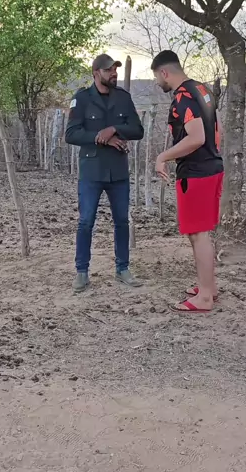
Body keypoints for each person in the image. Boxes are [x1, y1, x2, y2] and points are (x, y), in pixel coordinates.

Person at [151, 50, 224, 313]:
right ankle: (208, 288)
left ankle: (204, 298)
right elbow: (217, 129)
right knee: (201, 233)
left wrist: (163, 157)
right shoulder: (202, 90)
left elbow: (197, 137)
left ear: (164, 72)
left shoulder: (182, 97)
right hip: (212, 167)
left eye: (157, 77)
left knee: (199, 234)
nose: (157, 82)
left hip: (197, 173)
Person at [66, 54, 144, 292]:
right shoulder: (81, 99)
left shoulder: (123, 98)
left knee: (121, 221)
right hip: (91, 171)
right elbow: (71, 134)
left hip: (118, 171)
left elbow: (137, 129)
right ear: (96, 73)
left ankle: (122, 269)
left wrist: (114, 129)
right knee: (86, 222)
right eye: (109, 70)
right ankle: (82, 272)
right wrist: (102, 138)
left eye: (115, 69)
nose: (114, 73)